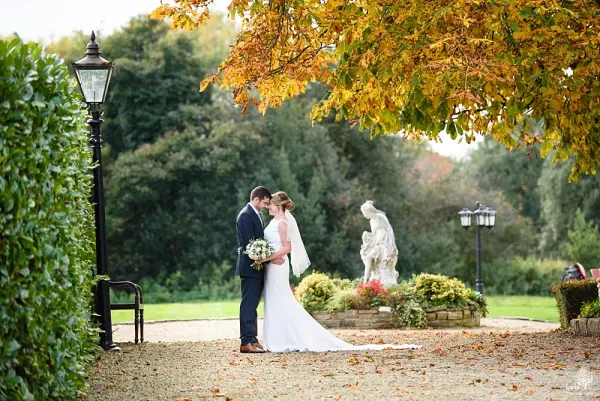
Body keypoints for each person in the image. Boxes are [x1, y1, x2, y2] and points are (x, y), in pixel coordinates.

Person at [255, 191, 420, 352]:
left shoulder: (282, 223)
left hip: (277, 266)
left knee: (281, 299)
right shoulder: (274, 221)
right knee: (274, 300)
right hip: (272, 265)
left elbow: (287, 247)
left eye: (270, 204)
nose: (268, 207)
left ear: (278, 205)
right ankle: (278, 338)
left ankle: (282, 340)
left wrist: (265, 258)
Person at [236, 186, 284, 354]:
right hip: (249, 267)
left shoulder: (255, 215)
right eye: (264, 202)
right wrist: (270, 257)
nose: (265, 206)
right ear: (256, 199)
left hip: (257, 267)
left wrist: (268, 258)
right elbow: (250, 245)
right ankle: (245, 341)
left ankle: (253, 339)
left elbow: (259, 243)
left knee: (253, 304)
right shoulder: (245, 216)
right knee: (248, 304)